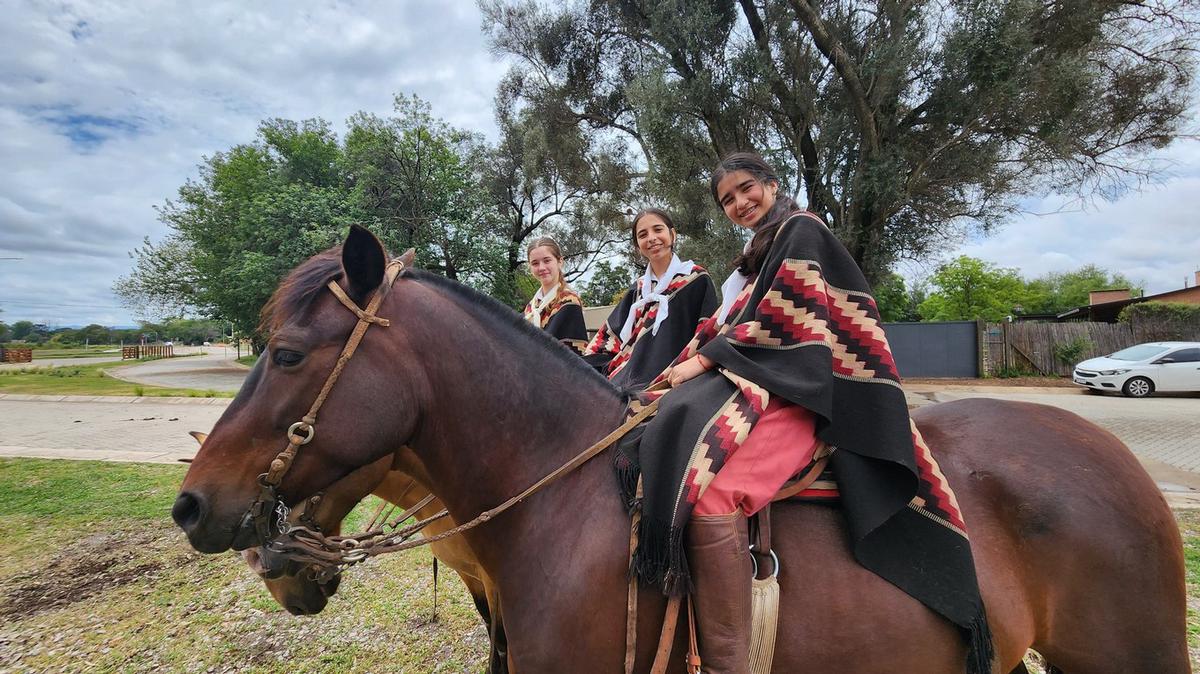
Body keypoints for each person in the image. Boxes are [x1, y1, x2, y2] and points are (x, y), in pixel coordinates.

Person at [616, 153, 991, 674]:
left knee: (716, 492)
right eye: (728, 200)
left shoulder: (799, 231)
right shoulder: (756, 253)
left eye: (747, 190)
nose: (740, 203)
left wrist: (705, 357)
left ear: (772, 184)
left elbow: (787, 321)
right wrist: (689, 356)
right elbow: (734, 319)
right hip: (771, 377)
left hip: (807, 388)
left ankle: (727, 665)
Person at [583, 208, 717, 391]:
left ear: (672, 234)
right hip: (626, 374)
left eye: (658, 230)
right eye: (643, 234)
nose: (652, 238)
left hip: (673, 377)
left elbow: (706, 331)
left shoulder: (696, 279)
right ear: (638, 246)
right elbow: (610, 335)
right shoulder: (638, 288)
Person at [522, 237, 588, 353]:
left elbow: (573, 354)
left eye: (547, 261)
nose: (541, 267)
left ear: (560, 262)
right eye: (535, 263)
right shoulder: (530, 309)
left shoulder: (569, 303)